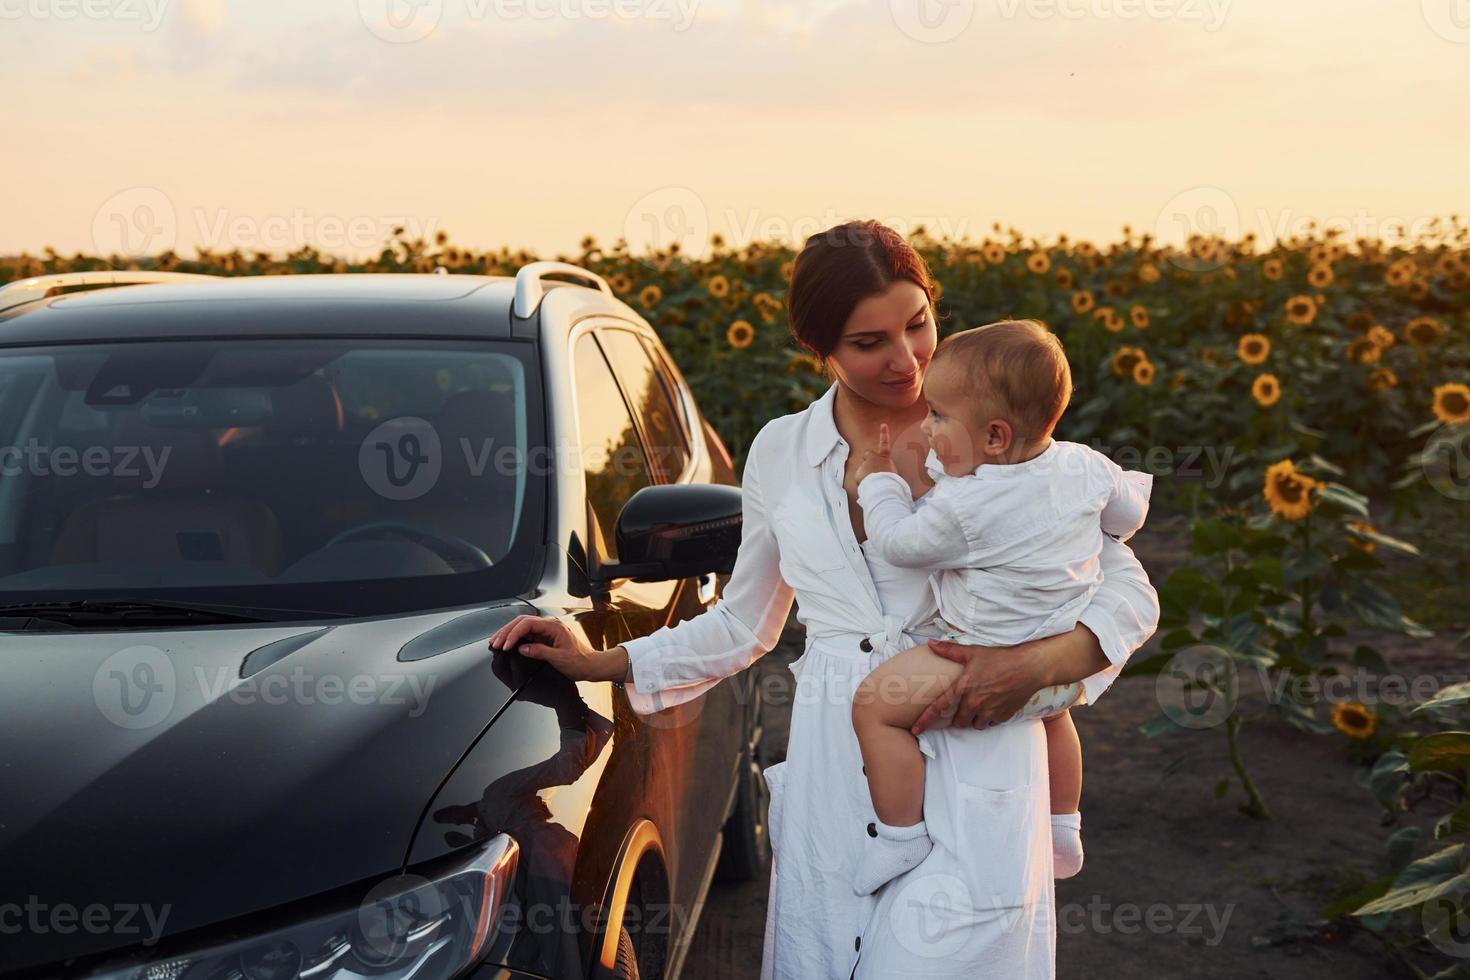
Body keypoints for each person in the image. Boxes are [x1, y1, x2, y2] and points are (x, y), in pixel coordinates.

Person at [486, 219, 1159, 979]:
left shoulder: (998, 431)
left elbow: (1125, 586)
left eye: (917, 324)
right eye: (870, 343)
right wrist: (600, 661)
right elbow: (746, 622)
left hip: (982, 745)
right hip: (840, 762)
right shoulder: (781, 450)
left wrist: (1042, 666)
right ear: (822, 350)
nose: (906, 359)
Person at [847, 318, 1153, 899]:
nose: (927, 425)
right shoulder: (1085, 464)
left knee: (875, 707)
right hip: (1066, 668)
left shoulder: (963, 505)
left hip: (980, 660)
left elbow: (899, 545)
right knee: (1053, 718)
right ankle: (1064, 825)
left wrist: (881, 485)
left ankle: (899, 834)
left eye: (937, 416)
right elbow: (1127, 515)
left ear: (993, 438)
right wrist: (1097, 526)